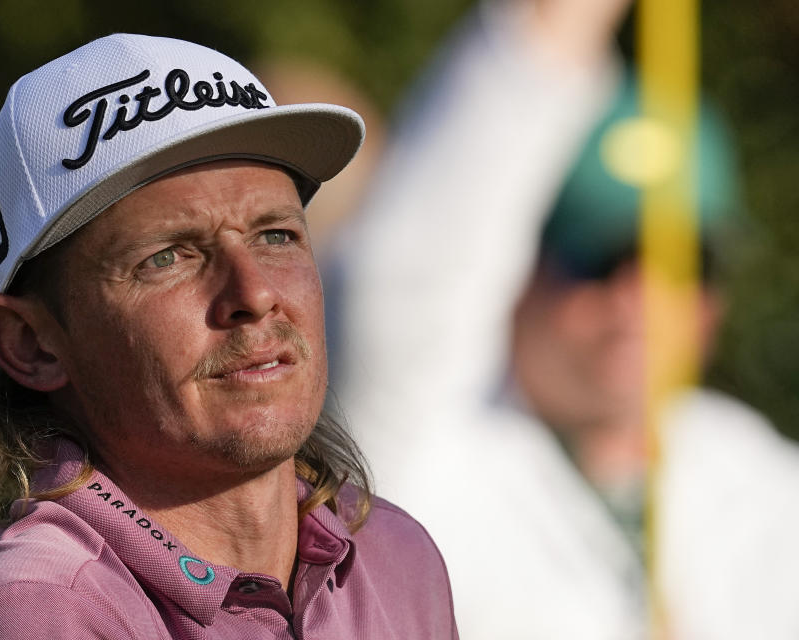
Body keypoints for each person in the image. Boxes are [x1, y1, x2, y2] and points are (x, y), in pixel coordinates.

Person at [0, 34, 457, 639]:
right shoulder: (40, 610)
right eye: (167, 257)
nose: (253, 294)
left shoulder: (392, 556)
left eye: (275, 235)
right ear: (29, 343)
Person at [332, 1, 799, 638]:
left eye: (684, 262)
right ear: (513, 269)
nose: (639, 297)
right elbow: (415, 268)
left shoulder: (764, 484)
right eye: (598, 257)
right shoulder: (414, 455)